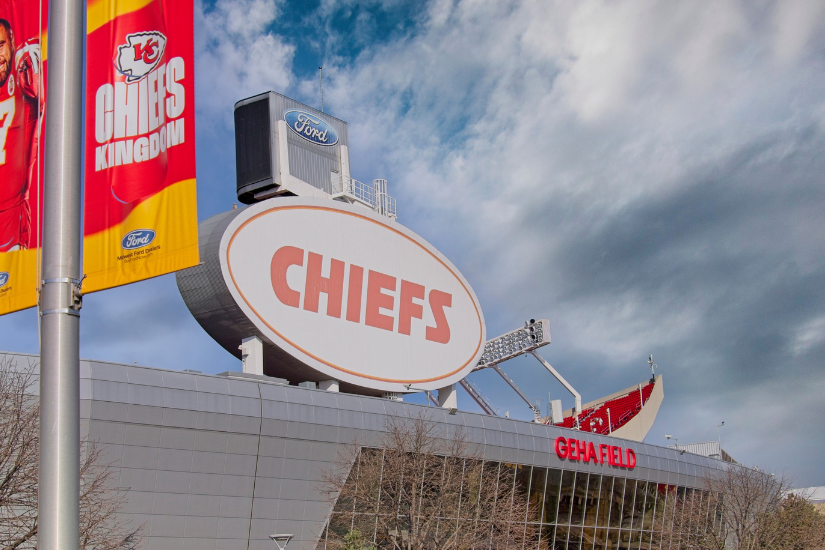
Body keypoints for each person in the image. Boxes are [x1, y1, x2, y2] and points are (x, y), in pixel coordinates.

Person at [0, 18, 40, 252]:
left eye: (0, 45)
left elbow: (36, 96)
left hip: (11, 220)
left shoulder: (24, 75)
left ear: (13, 44)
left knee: (13, 286)